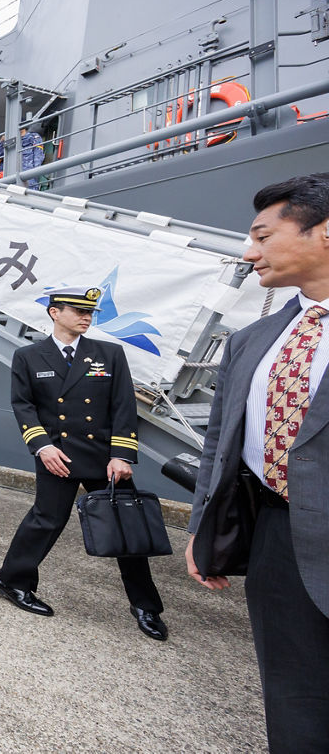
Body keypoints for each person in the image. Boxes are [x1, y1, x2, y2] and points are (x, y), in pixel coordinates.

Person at [187, 174, 329, 752]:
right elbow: (219, 440)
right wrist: (201, 526)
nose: (249, 253)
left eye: (263, 237)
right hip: (279, 538)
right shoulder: (252, 340)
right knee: (295, 696)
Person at [0, 286, 167, 641]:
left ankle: (146, 605)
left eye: (90, 313)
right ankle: (11, 580)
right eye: (77, 311)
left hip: (104, 458)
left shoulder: (110, 354)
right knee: (47, 520)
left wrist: (121, 454)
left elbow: (122, 407)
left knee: (125, 528)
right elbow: (23, 406)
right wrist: (42, 447)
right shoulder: (29, 356)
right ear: (55, 312)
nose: (86, 317)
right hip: (57, 454)